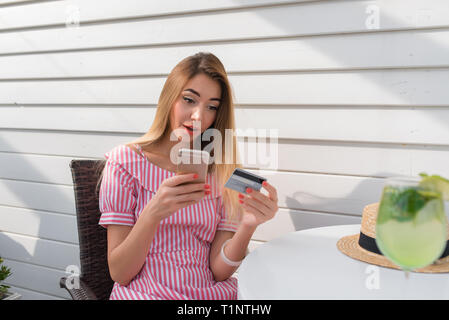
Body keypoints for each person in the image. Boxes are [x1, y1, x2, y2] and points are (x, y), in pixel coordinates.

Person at [97, 52, 279, 300]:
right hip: (147, 293)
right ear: (169, 98)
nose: (199, 116)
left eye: (211, 107)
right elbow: (119, 273)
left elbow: (218, 271)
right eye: (189, 100)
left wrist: (247, 225)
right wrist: (154, 212)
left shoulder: (220, 172)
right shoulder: (124, 164)